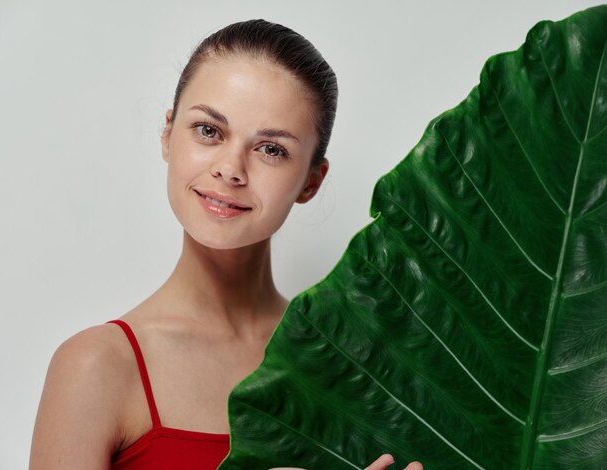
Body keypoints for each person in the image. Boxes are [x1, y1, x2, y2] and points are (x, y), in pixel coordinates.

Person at [29, 19, 423, 470]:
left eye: (271, 149)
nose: (230, 169)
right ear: (167, 134)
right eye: (209, 131)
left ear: (311, 181)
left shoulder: (350, 362)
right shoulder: (95, 366)